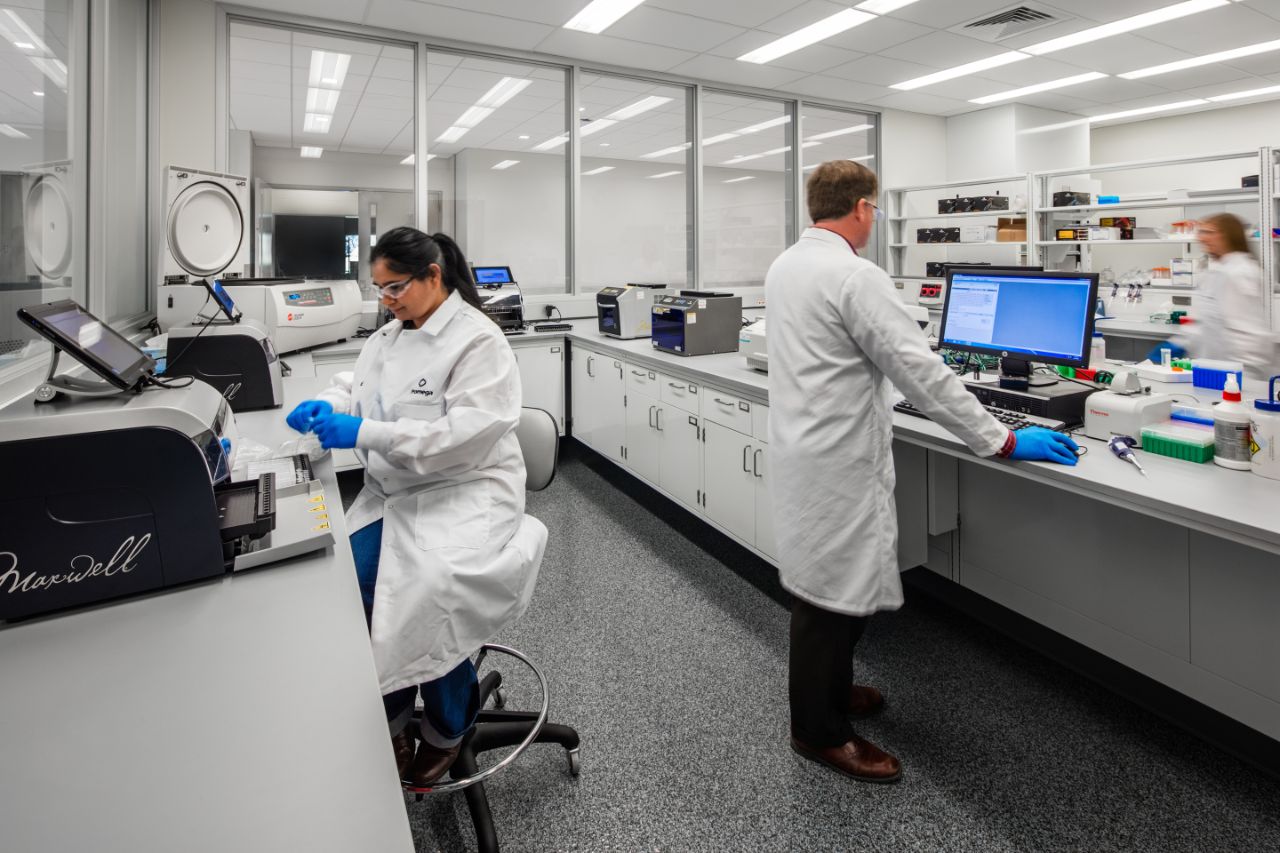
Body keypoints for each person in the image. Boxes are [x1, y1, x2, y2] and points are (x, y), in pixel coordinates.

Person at [765, 161, 1080, 784]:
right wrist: (1002, 437)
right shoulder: (855, 275)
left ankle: (833, 692)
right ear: (861, 208)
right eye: (874, 209)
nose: (874, 218)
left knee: (827, 587)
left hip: (808, 448)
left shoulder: (787, 264)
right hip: (836, 458)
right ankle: (817, 730)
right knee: (828, 599)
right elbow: (923, 375)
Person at [285, 227, 547, 787]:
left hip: (469, 491)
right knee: (353, 587)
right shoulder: (392, 334)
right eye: (379, 289)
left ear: (434, 276)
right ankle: (396, 719)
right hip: (396, 495)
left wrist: (365, 431)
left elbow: (463, 436)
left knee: (426, 593)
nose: (387, 300)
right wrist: (327, 405)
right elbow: (354, 385)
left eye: (395, 287)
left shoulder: (478, 342)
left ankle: (449, 728)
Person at [1149, 213, 1276, 377]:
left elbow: (1247, 330)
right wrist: (1177, 343)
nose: (1201, 238)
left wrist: (1246, 371)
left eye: (1209, 232)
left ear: (1228, 235)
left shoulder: (1239, 271)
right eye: (1201, 232)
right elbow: (1203, 320)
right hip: (1213, 365)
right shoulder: (1216, 271)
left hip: (1239, 369)